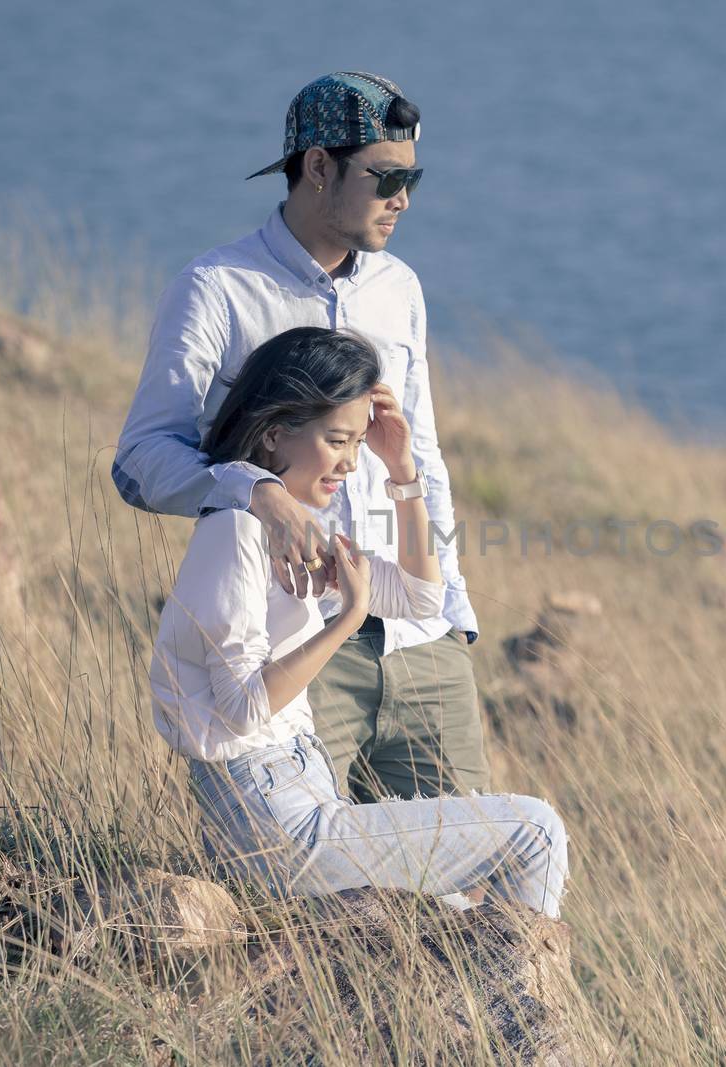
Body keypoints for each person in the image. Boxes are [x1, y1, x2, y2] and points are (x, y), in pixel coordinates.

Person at [114, 71, 489, 805]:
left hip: (421, 640)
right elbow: (140, 461)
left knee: (462, 896)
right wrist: (257, 494)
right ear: (318, 167)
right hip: (297, 648)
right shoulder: (215, 288)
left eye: (414, 177)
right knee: (319, 901)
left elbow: (425, 457)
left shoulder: (400, 289)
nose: (403, 198)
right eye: (386, 177)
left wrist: (455, 614)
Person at [150, 327, 566, 917]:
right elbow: (241, 709)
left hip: (297, 800)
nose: (349, 462)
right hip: (277, 821)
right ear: (274, 434)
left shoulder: (301, 538)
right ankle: (523, 1007)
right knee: (536, 831)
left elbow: (424, 600)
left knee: (449, 908)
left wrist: (401, 470)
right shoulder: (235, 531)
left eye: (355, 442)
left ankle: (501, 999)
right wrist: (346, 620)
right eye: (336, 440)